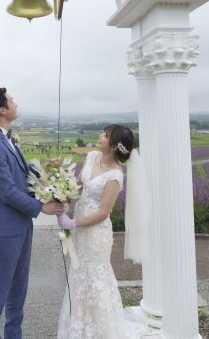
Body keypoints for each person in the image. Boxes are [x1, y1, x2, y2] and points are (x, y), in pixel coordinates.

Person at [0, 87, 65, 339]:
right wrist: (42, 207)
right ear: (2, 110)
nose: (16, 104)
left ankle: (13, 335)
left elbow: (21, 169)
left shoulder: (7, 137)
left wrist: (46, 168)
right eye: (12, 101)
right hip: (4, 229)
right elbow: (6, 191)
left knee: (18, 287)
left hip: (21, 224)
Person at [55, 124, 146, 339]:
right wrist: (64, 197)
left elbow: (104, 212)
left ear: (114, 147)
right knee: (79, 272)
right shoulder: (92, 157)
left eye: (105, 136)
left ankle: (103, 330)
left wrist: (72, 224)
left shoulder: (115, 175)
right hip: (80, 229)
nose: (100, 137)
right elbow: (77, 186)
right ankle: (79, 327)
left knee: (96, 276)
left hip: (96, 234)